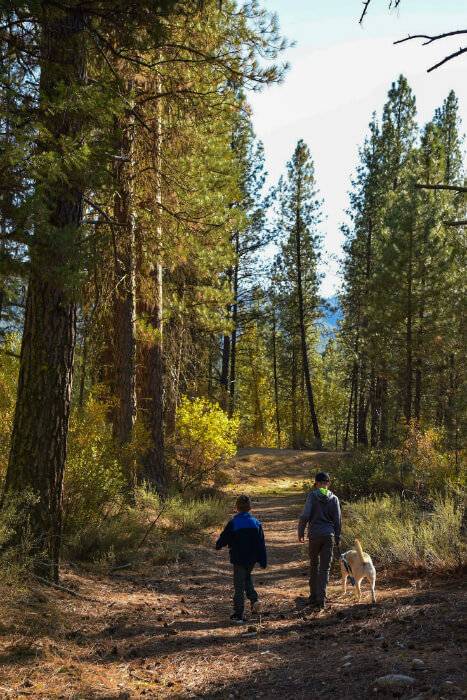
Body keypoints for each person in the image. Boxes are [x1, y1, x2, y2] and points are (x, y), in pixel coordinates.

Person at [215, 494, 267, 624]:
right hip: (252, 559)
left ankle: (239, 614)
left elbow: (224, 537)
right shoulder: (256, 523)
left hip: (238, 558)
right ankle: (255, 601)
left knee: (239, 585)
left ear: (237, 507)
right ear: (250, 507)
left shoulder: (234, 522)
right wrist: (262, 560)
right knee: (246, 578)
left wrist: (218, 545)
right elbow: (261, 543)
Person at [298, 471, 341, 609]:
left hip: (314, 535)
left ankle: (313, 596)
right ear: (328, 483)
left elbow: (305, 515)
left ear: (315, 483)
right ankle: (321, 598)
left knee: (314, 565)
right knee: (325, 568)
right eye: (325, 482)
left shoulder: (312, 496)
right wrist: (338, 536)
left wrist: (301, 531)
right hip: (329, 536)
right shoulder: (334, 499)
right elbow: (337, 521)